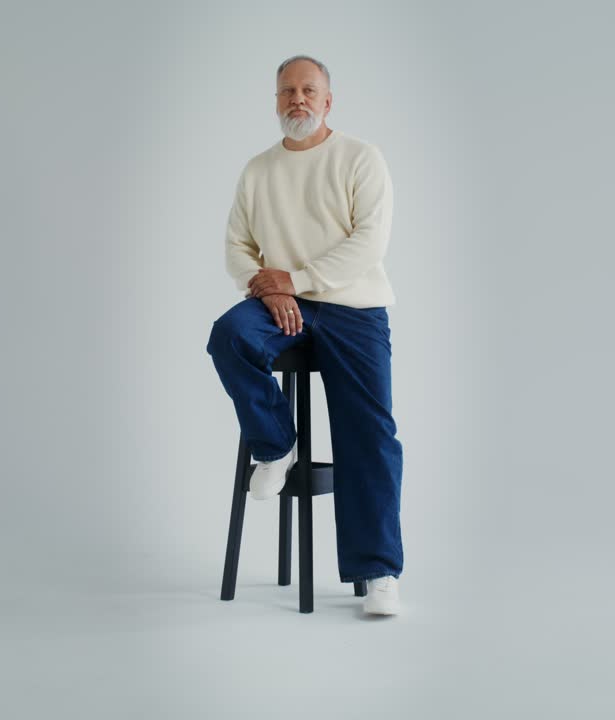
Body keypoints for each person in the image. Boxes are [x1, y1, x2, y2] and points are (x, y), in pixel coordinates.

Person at [205, 55, 404, 616]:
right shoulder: (257, 170)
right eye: (287, 90)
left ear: (327, 100)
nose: (298, 99)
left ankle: (379, 570)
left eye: (309, 90)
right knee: (229, 337)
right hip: (280, 304)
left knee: (370, 432)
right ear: (275, 101)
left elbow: (370, 242)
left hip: (352, 307)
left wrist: (298, 279)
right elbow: (236, 247)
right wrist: (267, 288)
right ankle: (276, 446)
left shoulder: (361, 158)